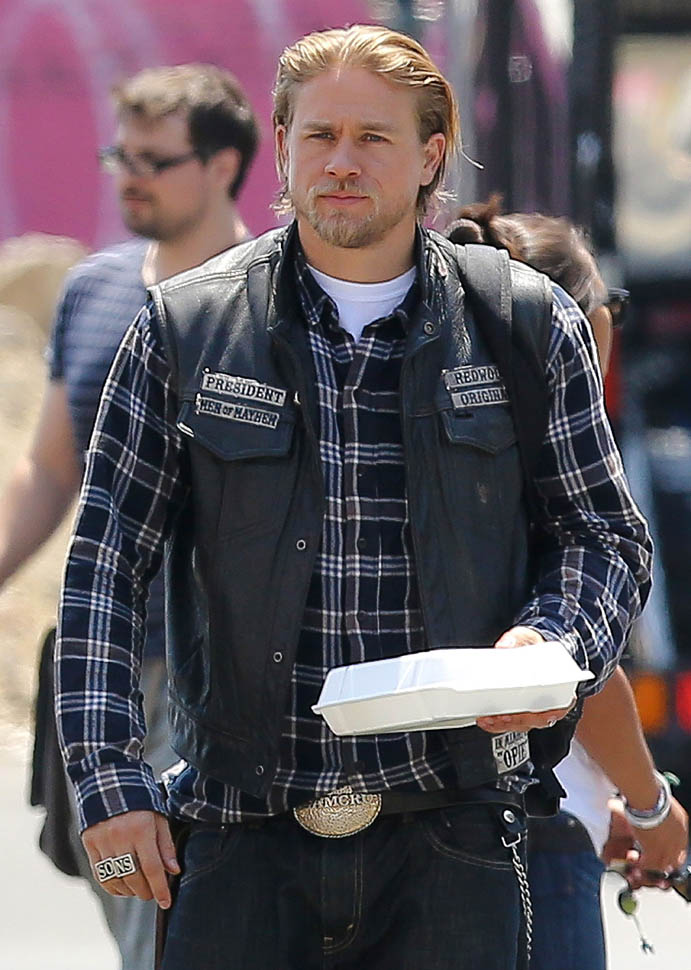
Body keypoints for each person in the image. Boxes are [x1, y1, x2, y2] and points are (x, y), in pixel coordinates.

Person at [55, 25, 652, 970]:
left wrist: (553, 643)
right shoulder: (185, 327)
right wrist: (108, 781)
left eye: (373, 137)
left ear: (430, 157)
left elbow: (603, 536)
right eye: (319, 135)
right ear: (281, 146)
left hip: (453, 835)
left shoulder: (524, 322)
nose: (341, 162)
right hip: (241, 832)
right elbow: (104, 563)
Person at [0, 63, 258, 969]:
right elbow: (49, 468)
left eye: (155, 159)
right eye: (121, 156)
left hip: (219, 666)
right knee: (122, 889)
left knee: (179, 913)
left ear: (223, 165)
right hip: (103, 655)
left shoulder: (269, 294)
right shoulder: (95, 289)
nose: (130, 177)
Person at [446, 198, 688, 969]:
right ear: (575, 321)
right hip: (535, 834)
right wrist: (650, 805)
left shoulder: (454, 461)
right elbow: (577, 674)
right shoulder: (553, 476)